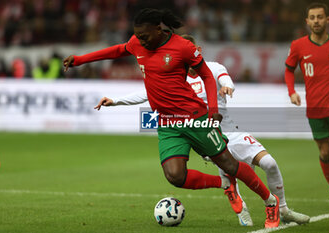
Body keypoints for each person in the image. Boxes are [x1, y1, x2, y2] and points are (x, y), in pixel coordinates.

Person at [64, 8, 280, 228]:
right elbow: (117, 50)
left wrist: (213, 108)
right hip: (167, 122)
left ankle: (270, 201)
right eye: (137, 36)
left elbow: (206, 74)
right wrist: (80, 60)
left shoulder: (182, 47)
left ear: (159, 29)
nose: (140, 41)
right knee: (175, 176)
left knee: (230, 164)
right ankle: (224, 184)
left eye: (144, 36)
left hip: (194, 117)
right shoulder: (138, 42)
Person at [104, 34, 310, 226]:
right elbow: (144, 93)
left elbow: (225, 78)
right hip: (205, 134)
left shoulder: (212, 67)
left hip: (231, 130)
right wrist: (115, 101)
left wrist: (228, 87)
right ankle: (242, 207)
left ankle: (282, 209)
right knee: (230, 171)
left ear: (197, 50)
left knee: (269, 163)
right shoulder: (174, 76)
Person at [285, 2, 329, 211]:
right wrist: (291, 91)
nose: (316, 21)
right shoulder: (298, 45)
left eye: (320, 17)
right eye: (312, 17)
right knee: (325, 154)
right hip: (315, 108)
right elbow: (288, 69)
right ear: (307, 21)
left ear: (327, 20)